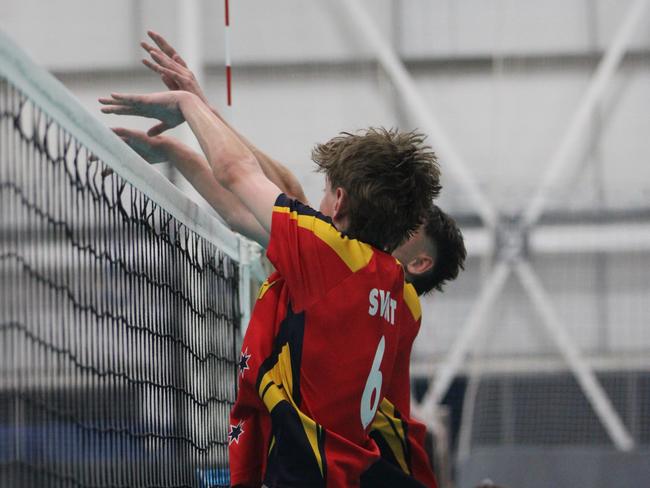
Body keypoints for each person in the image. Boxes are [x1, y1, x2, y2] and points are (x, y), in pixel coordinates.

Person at [108, 31, 466, 488]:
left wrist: (188, 105)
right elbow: (257, 206)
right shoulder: (395, 292)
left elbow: (246, 178)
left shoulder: (332, 258)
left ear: (338, 203)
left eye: (327, 192)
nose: (314, 204)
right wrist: (182, 145)